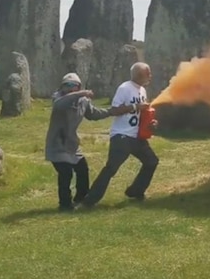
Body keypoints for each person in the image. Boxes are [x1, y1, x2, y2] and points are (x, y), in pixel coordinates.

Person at [45, 73, 136, 212]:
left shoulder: (83, 101)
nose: (70, 88)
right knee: (65, 173)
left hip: (72, 144)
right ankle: (64, 204)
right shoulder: (58, 98)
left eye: (73, 85)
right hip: (57, 144)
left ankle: (81, 198)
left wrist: (113, 111)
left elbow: (94, 114)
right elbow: (60, 104)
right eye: (67, 85)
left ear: (78, 86)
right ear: (62, 87)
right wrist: (81, 93)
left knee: (82, 169)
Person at [81, 62, 158, 208]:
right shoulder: (125, 88)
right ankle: (89, 201)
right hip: (122, 136)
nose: (150, 76)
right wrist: (135, 106)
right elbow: (114, 110)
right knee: (111, 169)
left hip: (136, 137)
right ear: (139, 74)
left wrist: (151, 122)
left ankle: (135, 191)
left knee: (152, 161)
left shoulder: (142, 90)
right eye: (148, 73)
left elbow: (141, 114)